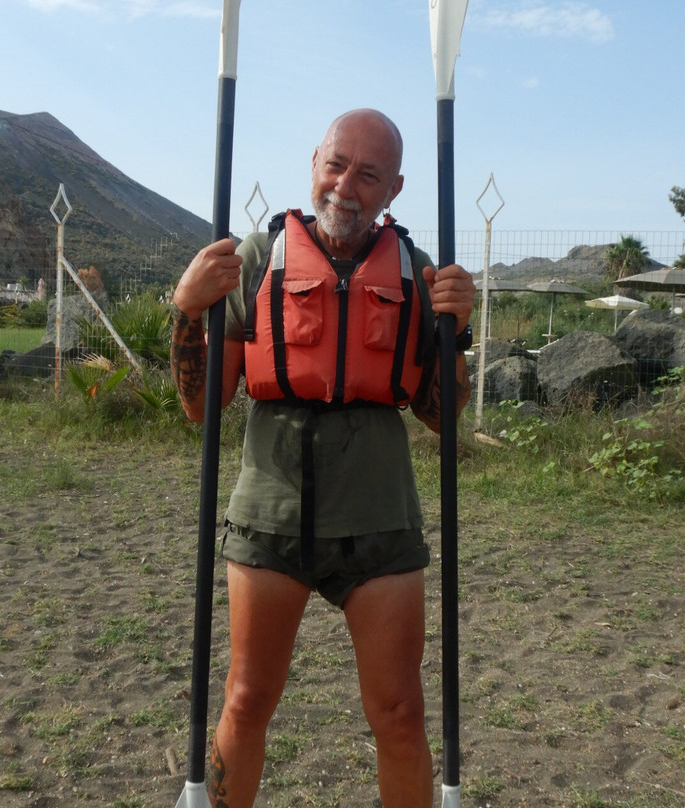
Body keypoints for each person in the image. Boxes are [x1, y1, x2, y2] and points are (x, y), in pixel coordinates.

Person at [169, 108, 475, 808]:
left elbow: (440, 415)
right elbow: (200, 406)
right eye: (336, 165)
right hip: (270, 515)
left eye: (368, 174)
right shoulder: (258, 258)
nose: (346, 186)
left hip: (379, 518)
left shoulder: (416, 272)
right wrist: (187, 311)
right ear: (314, 163)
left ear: (394, 188)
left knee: (400, 712)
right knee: (246, 699)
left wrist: (455, 332)